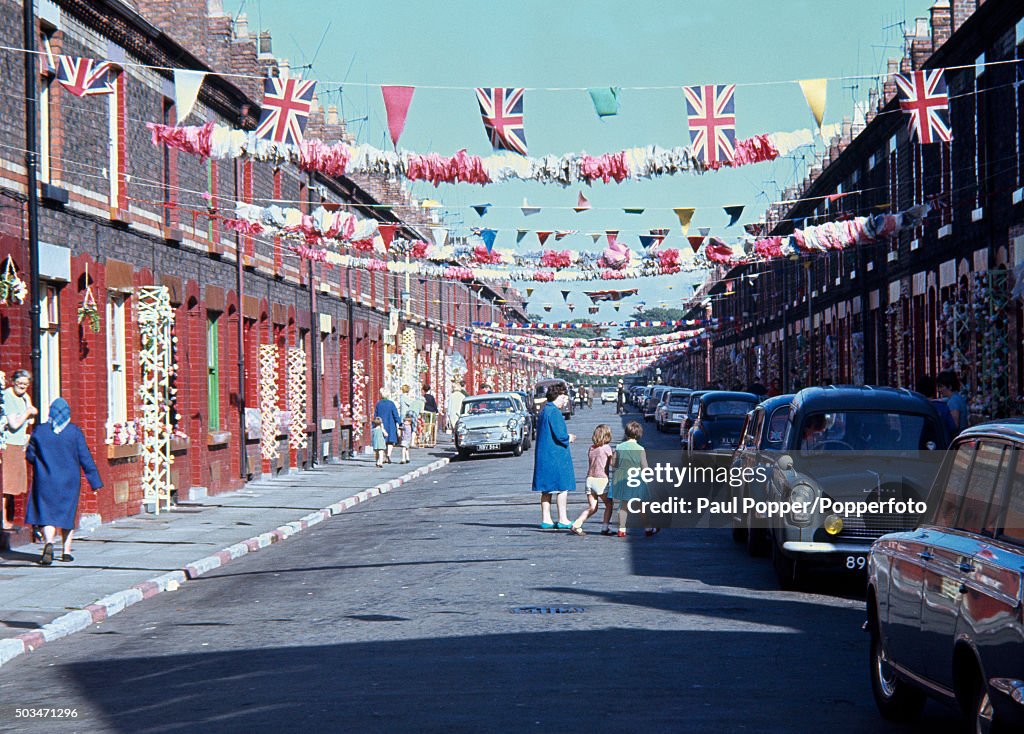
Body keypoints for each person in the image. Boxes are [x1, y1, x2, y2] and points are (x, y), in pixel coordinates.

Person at [24, 398, 102, 565]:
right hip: (69, 481)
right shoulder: (74, 432)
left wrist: (40, 464)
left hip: (45, 480)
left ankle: (49, 543)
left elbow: (30, 455)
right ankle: (66, 551)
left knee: (47, 514)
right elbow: (85, 457)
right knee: (67, 514)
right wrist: (94, 482)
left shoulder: (40, 431)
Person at [531, 382, 576, 529]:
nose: (565, 401)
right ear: (558, 396)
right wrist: (569, 437)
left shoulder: (544, 410)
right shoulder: (555, 412)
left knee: (546, 489)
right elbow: (560, 435)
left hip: (544, 455)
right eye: (564, 397)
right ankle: (563, 518)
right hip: (556, 455)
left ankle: (546, 519)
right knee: (562, 488)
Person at [607, 421, 657, 537]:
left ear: (626, 433)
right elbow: (645, 467)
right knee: (641, 506)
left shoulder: (619, 447)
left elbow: (613, 464)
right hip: (636, 479)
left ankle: (621, 529)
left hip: (621, 479)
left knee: (623, 505)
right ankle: (648, 528)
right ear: (639, 435)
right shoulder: (640, 449)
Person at [2, 370, 38, 530]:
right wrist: (27, 413)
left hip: (18, 445)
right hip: (9, 445)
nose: (22, 386)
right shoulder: (8, 396)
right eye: (19, 383)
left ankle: (6, 519)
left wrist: (29, 408)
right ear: (12, 381)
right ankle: (3, 519)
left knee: (13, 486)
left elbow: (32, 410)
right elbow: (14, 424)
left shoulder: (23, 396)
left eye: (25, 384)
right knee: (6, 485)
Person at [569, 424, 615, 536]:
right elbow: (613, 464)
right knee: (609, 504)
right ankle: (605, 527)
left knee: (592, 507)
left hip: (589, 479)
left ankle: (577, 524)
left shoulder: (591, 448)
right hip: (601, 480)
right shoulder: (607, 448)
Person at [937, 370, 969, 435]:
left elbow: (954, 425)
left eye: (941, 386)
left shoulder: (953, 401)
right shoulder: (957, 398)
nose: (939, 390)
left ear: (949, 386)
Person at [373, 389, 400, 463]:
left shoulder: (378, 404)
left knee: (383, 441)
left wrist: (374, 424)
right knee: (390, 441)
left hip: (381, 424)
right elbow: (395, 414)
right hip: (391, 424)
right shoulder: (391, 404)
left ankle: (383, 457)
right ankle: (388, 455)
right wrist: (399, 422)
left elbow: (375, 415)